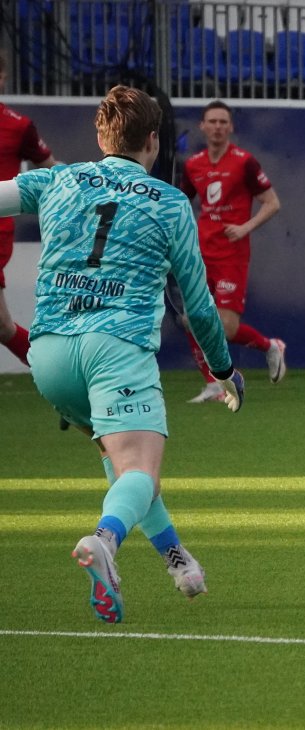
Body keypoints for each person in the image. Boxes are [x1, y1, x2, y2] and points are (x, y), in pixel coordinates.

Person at [0, 85, 246, 623]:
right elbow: (199, 307)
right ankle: (105, 542)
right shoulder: (171, 203)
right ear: (154, 141)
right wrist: (223, 369)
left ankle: (178, 560)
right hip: (116, 349)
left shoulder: (60, 178)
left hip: (50, 355)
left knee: (124, 463)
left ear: (99, 134)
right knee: (141, 469)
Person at [179, 99, 285, 403]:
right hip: (201, 253)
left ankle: (270, 346)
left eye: (223, 122)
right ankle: (213, 383)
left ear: (231, 127)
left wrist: (245, 228)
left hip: (231, 254)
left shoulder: (244, 162)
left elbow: (272, 202)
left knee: (225, 326)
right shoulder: (193, 164)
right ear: (202, 126)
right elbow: (181, 203)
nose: (217, 127)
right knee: (191, 319)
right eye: (211, 121)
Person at [0, 53, 58, 367]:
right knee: (3, 325)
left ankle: (60, 376)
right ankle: (60, 377)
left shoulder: (18, 126)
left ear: (3, 78)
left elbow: (49, 168)